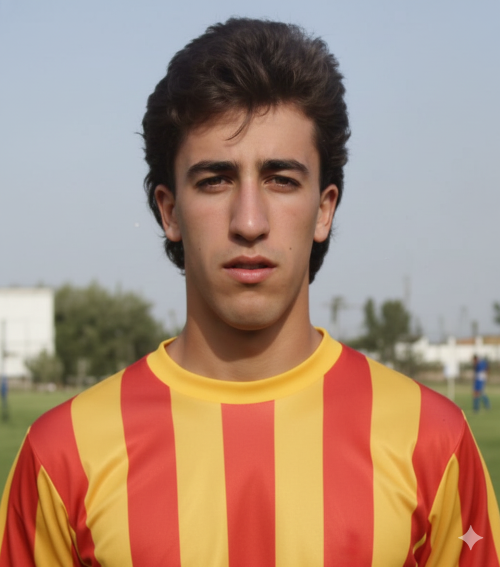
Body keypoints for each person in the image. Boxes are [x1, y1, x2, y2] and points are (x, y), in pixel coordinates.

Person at [1, 17, 499, 567]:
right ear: (169, 211)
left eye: (281, 180)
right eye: (214, 180)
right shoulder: (63, 454)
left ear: (324, 209)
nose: (249, 222)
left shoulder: (432, 442)